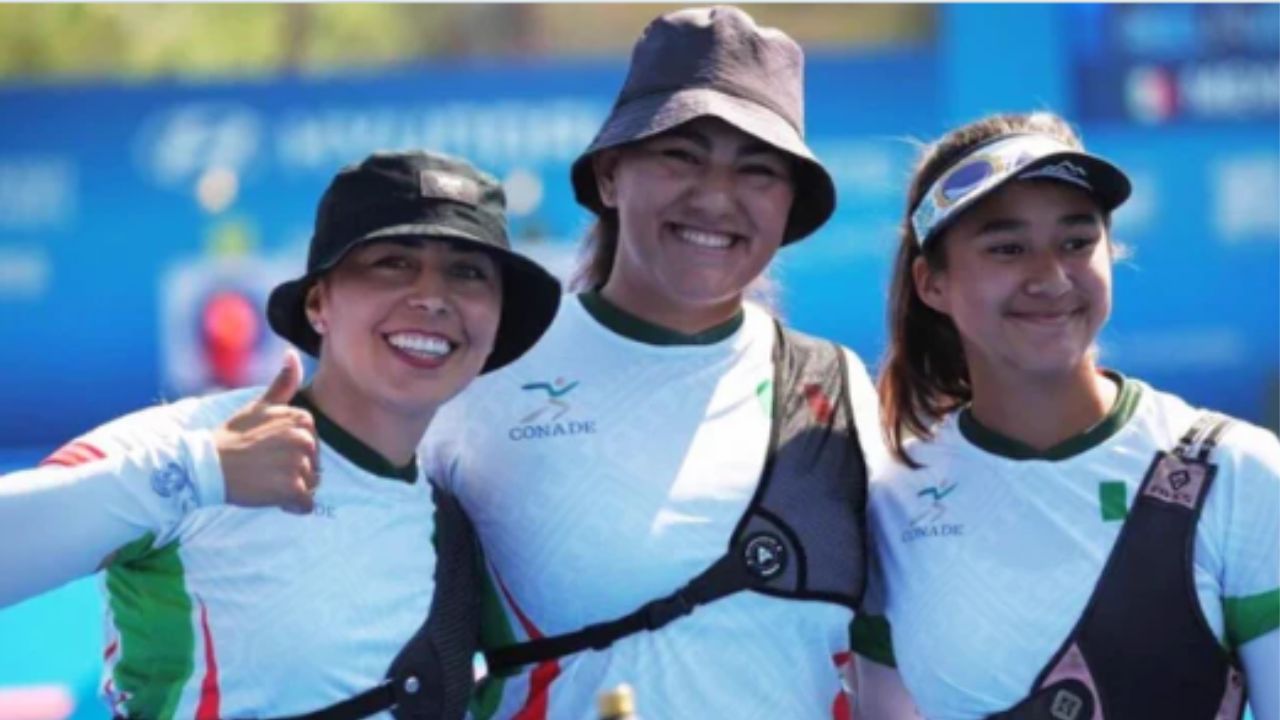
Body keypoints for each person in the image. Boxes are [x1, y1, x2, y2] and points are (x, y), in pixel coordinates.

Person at [422, 6, 887, 719]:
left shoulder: (836, 384)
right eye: (682, 156)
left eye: (757, 170)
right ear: (610, 176)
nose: (715, 198)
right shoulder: (486, 367)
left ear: (790, 207)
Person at [0, 150, 562, 719]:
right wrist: (201, 473)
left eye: (467, 273)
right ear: (319, 301)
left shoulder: (458, 517)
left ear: (496, 322)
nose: (432, 297)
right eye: (393, 262)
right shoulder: (196, 442)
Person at [850, 111, 1279, 720]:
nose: (1050, 278)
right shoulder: (889, 502)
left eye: (1076, 243)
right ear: (932, 283)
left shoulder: (1238, 472)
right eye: (1008, 248)